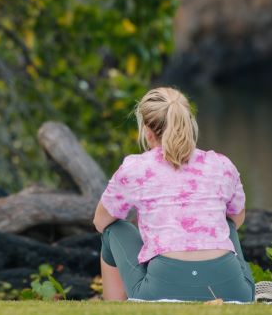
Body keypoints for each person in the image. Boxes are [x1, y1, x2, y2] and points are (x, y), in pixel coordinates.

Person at [93, 87, 254, 302]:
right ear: (189, 124)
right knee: (227, 222)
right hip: (234, 291)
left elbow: (100, 221)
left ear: (148, 132)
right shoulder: (221, 164)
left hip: (160, 289)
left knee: (114, 229)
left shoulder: (135, 168)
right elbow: (237, 218)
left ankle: (114, 310)